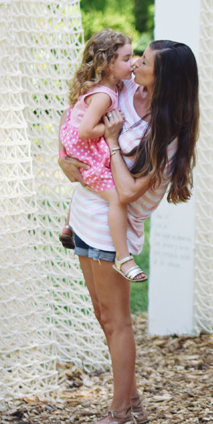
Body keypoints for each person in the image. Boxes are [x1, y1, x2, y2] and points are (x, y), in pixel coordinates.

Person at [58, 39, 199, 424]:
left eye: (145, 61)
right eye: (136, 57)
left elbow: (125, 192)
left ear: (165, 77)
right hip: (86, 209)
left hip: (113, 222)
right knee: (104, 317)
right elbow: (81, 120)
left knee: (118, 322)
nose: (136, 63)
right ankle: (132, 403)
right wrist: (65, 159)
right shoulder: (124, 89)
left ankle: (118, 415)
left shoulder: (167, 132)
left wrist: (113, 143)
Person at [59, 29, 144, 282]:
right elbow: (86, 130)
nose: (133, 63)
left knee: (92, 180)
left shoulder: (107, 85)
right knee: (117, 197)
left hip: (73, 142)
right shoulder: (104, 96)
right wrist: (111, 131)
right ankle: (122, 257)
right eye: (126, 59)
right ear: (107, 65)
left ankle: (68, 226)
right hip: (83, 144)